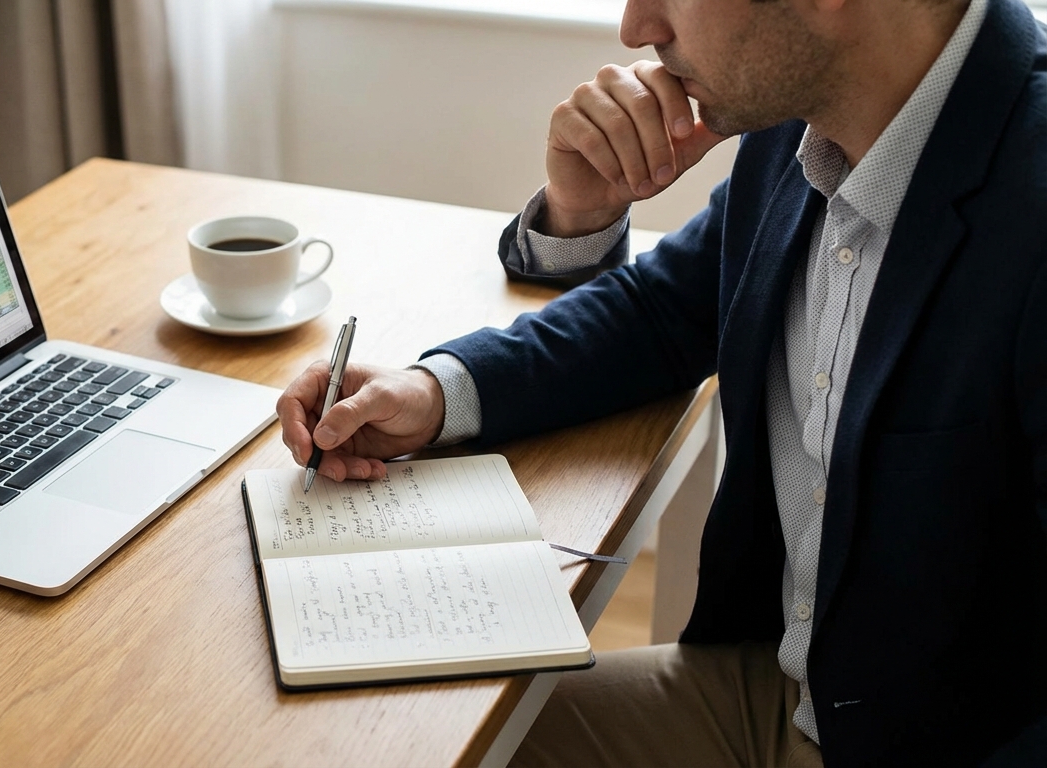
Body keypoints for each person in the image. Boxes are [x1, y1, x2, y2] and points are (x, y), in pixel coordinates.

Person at [276, 0, 1047, 764]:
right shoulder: (811, 115)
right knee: (399, 741)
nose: (636, 27)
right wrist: (438, 394)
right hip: (781, 698)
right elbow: (664, 311)